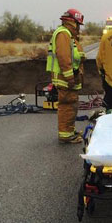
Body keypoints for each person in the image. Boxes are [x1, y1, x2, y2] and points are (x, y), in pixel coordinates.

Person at [46, 8, 85, 144]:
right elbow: (64, 57)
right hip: (65, 78)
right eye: (78, 24)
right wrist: (69, 77)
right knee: (67, 105)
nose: (79, 28)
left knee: (71, 104)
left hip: (68, 78)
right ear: (72, 23)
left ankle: (69, 130)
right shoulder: (63, 34)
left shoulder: (67, 34)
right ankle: (66, 135)